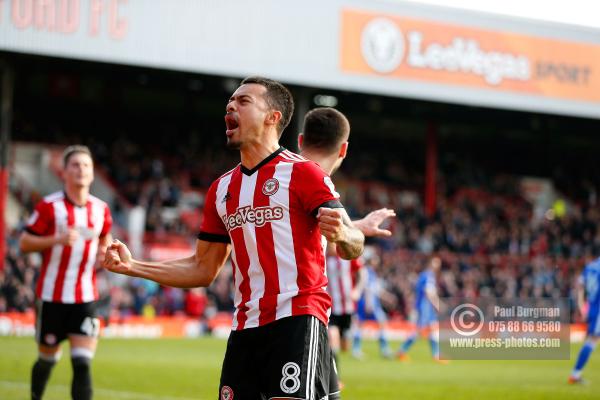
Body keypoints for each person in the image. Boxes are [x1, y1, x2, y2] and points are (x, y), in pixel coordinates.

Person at [103, 77, 365, 400]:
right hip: (244, 331)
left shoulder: (304, 174)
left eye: (243, 102)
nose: (230, 106)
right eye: (230, 101)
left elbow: (354, 244)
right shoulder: (221, 190)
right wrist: (133, 266)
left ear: (272, 117)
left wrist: (343, 232)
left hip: (296, 321)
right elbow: (202, 269)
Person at [297, 107, 396, 389]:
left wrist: (357, 225)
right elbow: (346, 249)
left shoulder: (278, 175)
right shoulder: (318, 183)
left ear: (301, 140)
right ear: (344, 150)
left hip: (253, 315)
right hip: (299, 315)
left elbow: (316, 235)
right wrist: (352, 234)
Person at [19, 145, 113, 400]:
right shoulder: (49, 207)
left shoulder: (101, 209)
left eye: (86, 165)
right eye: (75, 165)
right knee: (47, 360)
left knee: (82, 363)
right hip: (51, 297)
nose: (81, 169)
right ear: (64, 173)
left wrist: (107, 253)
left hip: (85, 297)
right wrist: (56, 239)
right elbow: (25, 242)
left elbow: (105, 238)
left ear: (92, 174)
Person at [396, 255, 444, 362]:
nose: (437, 265)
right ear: (430, 263)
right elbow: (428, 291)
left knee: (434, 329)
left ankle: (436, 355)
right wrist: (437, 304)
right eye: (435, 262)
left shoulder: (426, 275)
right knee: (419, 330)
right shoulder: (428, 275)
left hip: (427, 306)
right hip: (424, 306)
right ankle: (402, 351)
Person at [351, 248, 393, 359]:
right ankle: (383, 349)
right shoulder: (367, 272)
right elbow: (368, 289)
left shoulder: (372, 273)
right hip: (367, 304)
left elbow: (376, 290)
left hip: (369, 303)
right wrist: (369, 305)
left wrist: (388, 297)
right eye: (374, 259)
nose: (377, 261)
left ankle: (357, 350)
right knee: (377, 324)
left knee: (366, 325)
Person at [569, 256, 600, 384]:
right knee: (592, 340)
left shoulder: (590, 266)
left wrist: (582, 306)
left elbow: (580, 286)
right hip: (598, 310)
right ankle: (575, 374)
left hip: (592, 307)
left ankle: (575, 374)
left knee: (592, 340)